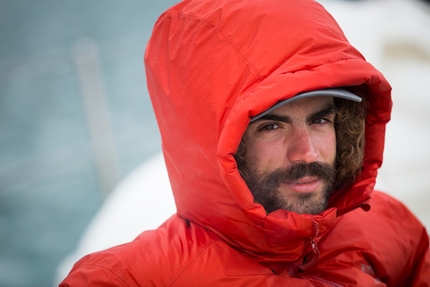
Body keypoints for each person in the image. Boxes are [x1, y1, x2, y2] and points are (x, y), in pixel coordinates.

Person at [60, 0, 430, 285]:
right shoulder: (130, 280)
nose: (308, 152)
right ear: (212, 144)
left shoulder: (389, 225)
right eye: (271, 126)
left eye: (320, 119)